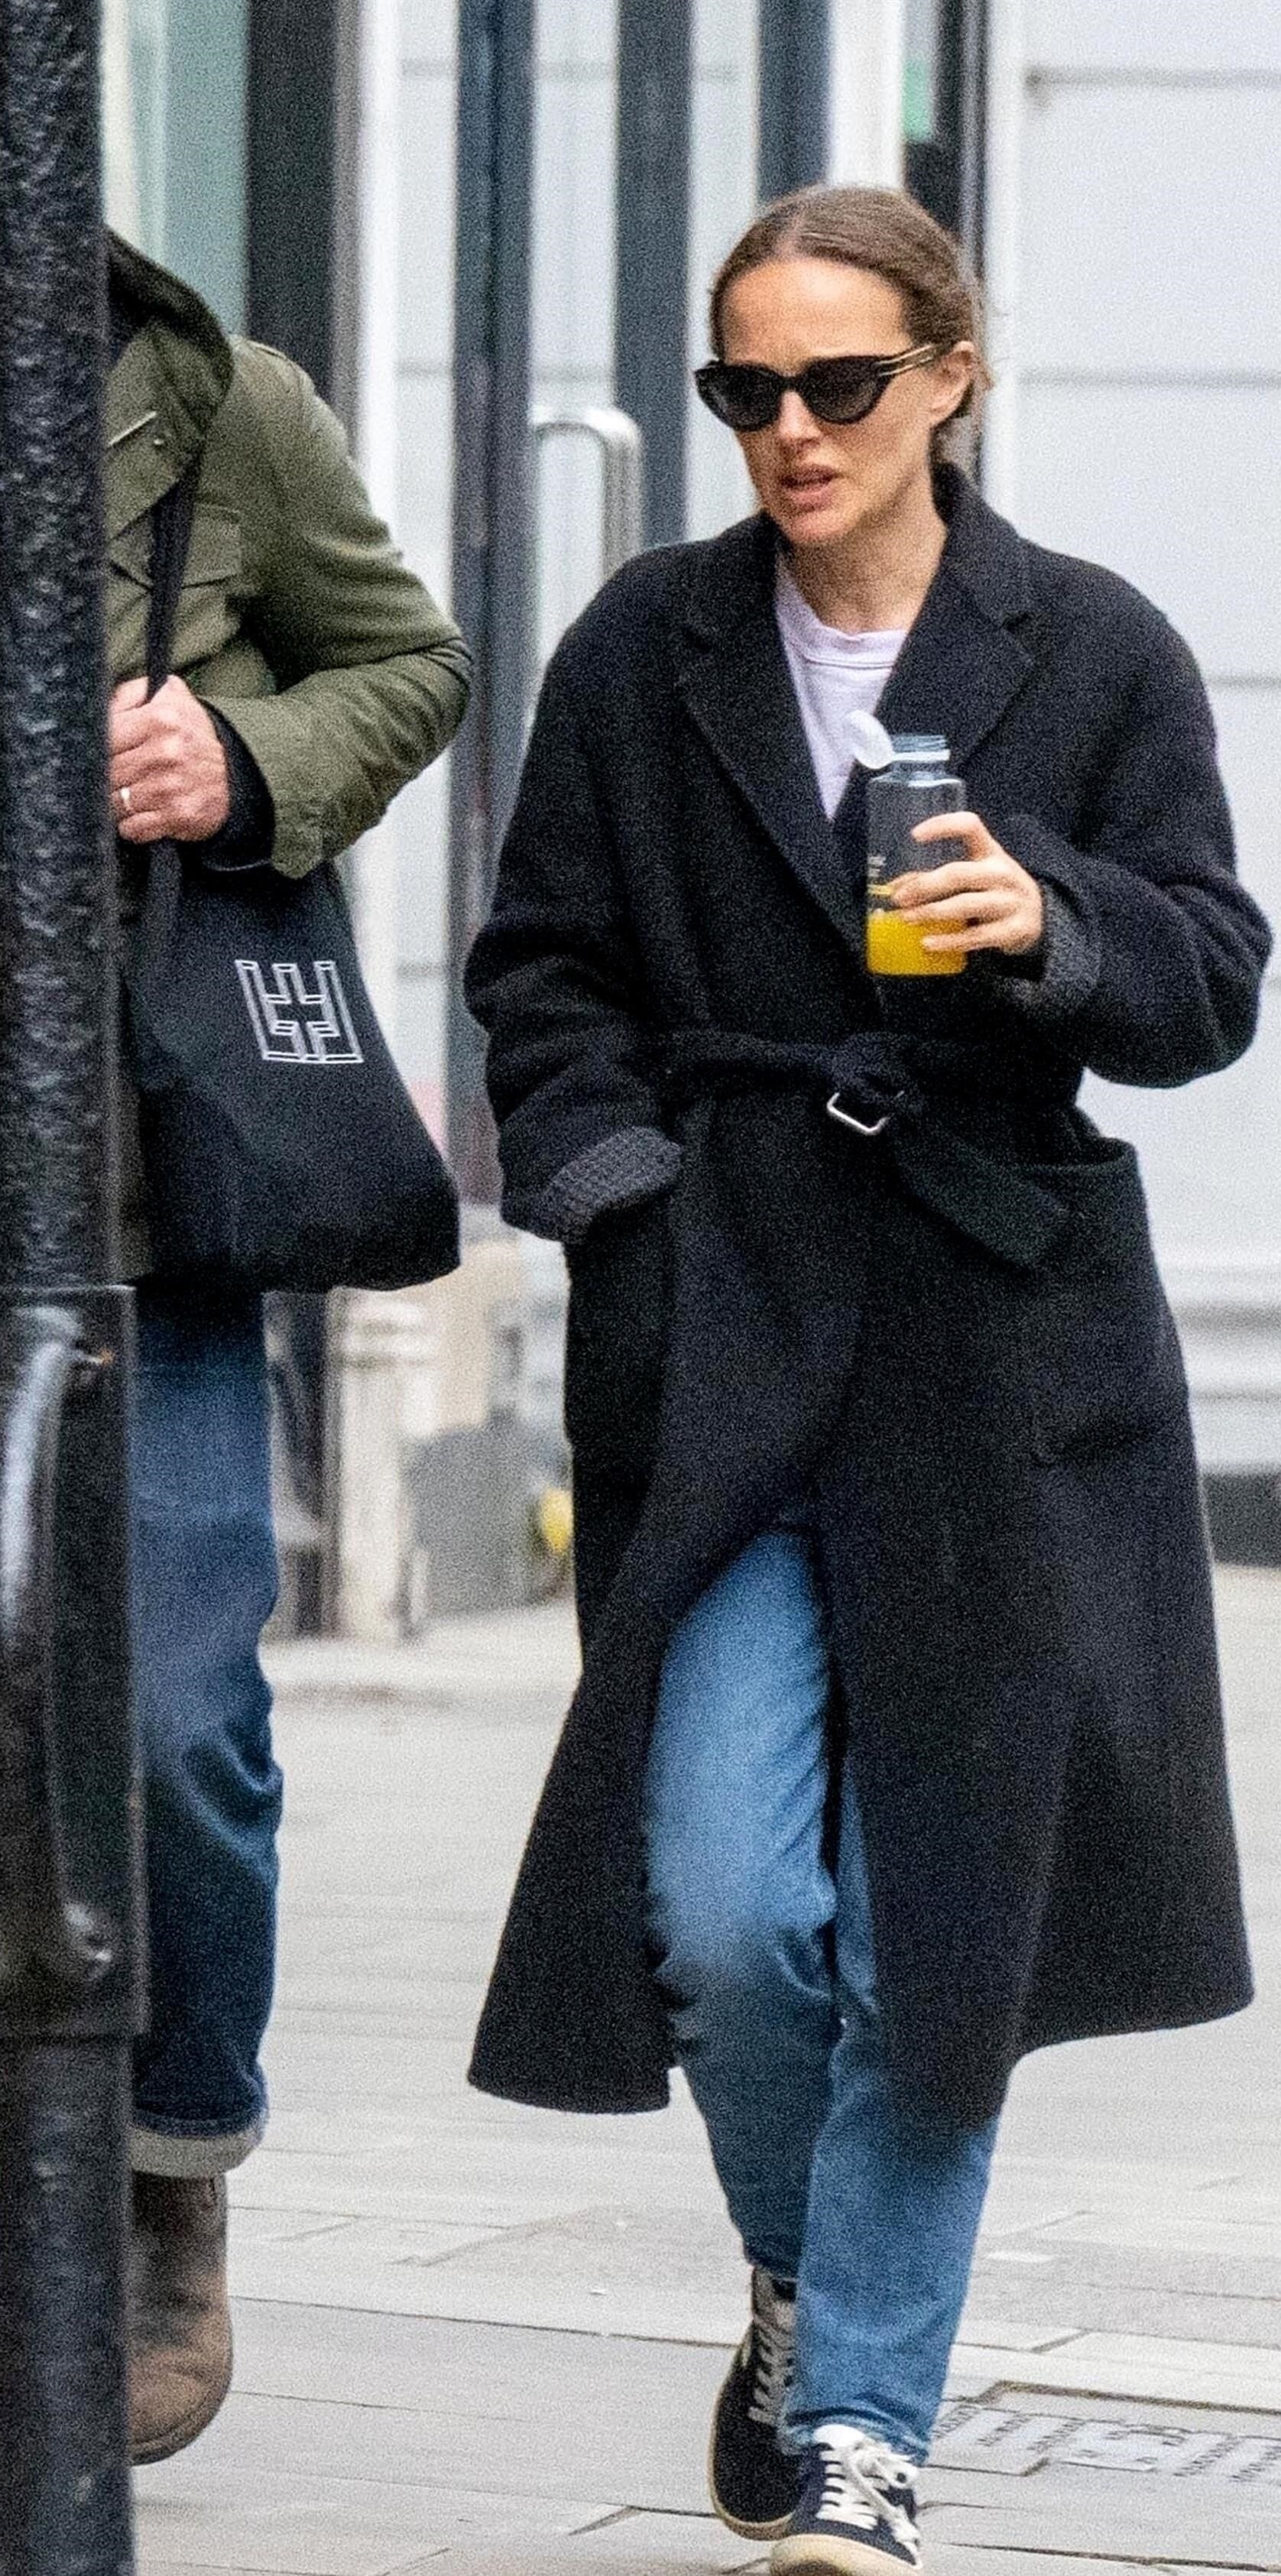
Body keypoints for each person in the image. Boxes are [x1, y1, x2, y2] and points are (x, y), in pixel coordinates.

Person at [464, 187, 1271, 2576]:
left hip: (995, 1339)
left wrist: (1056, 920)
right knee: (724, 1906)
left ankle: (863, 2433)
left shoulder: (1091, 647)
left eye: (837, 383)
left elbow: (1212, 971)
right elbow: (541, 976)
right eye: (747, 391)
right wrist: (627, 1203)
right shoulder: (648, 645)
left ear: (950, 376)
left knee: (943, 1922)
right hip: (722, 1322)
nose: (790, 433)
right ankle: (808, 2275)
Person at [105, 231, 470, 2463]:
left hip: (134, 1198)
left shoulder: (218, 399)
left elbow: (412, 663)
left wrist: (233, 760)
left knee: (169, 1717)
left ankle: (175, 2165)